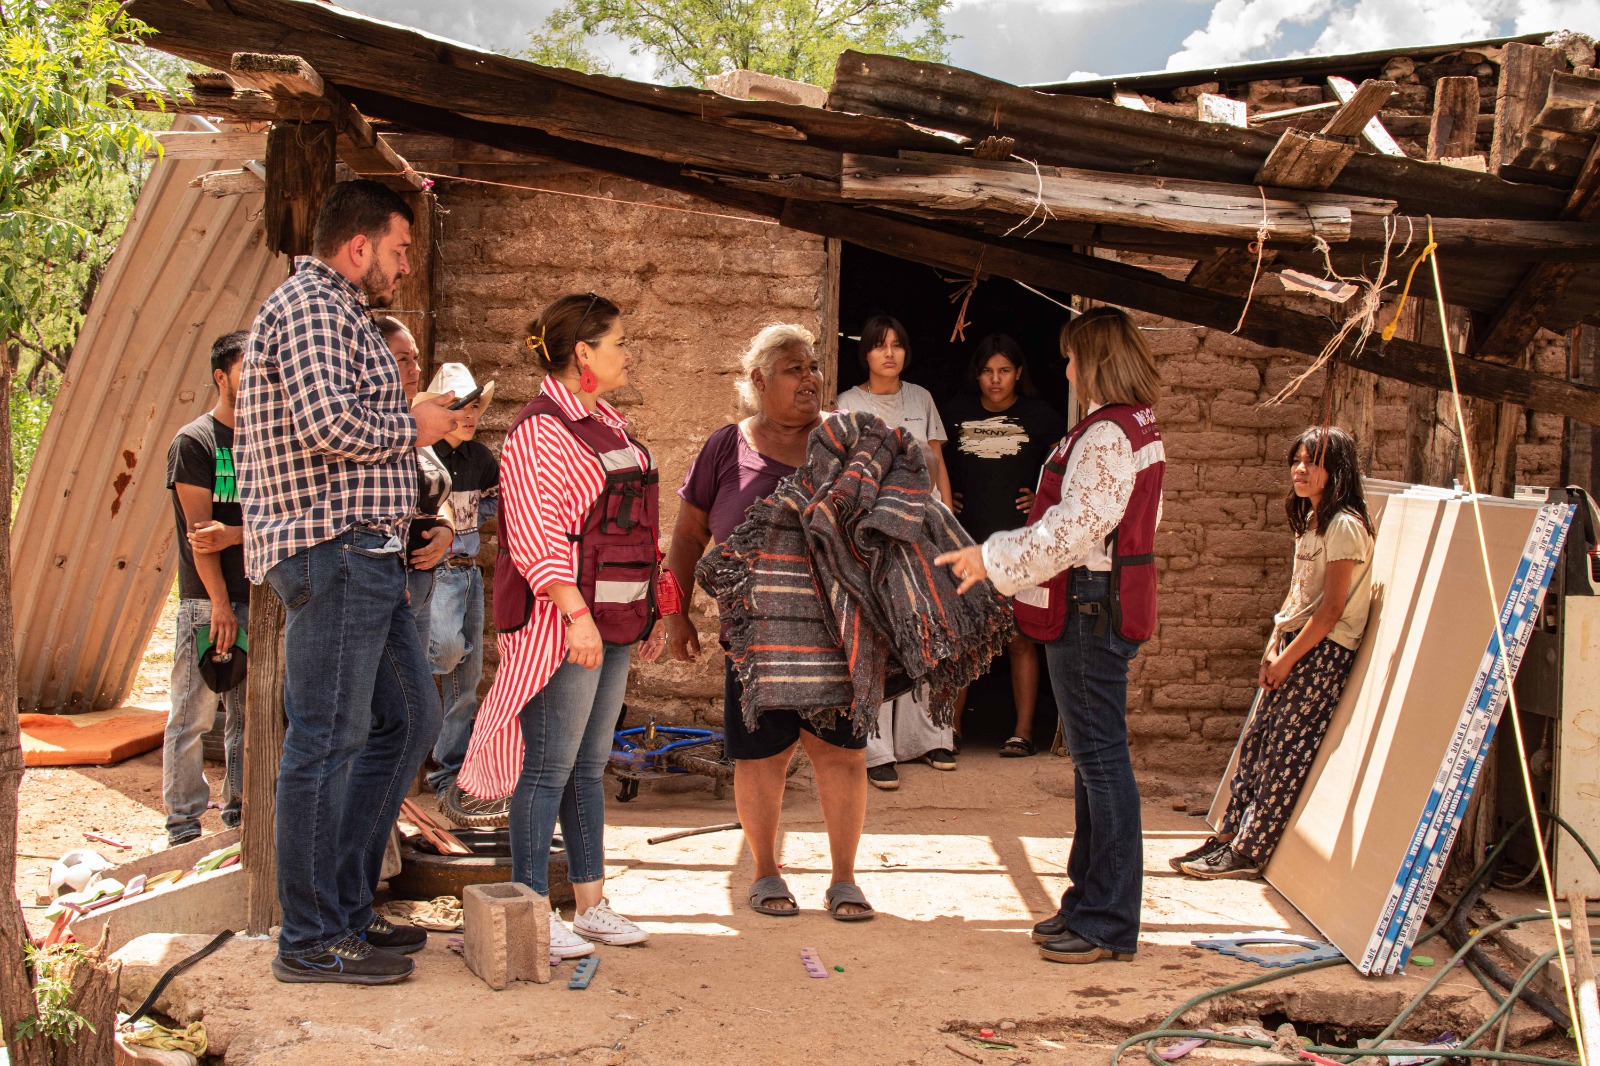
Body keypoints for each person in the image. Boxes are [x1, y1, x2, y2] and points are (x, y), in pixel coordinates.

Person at [238, 179, 460, 985]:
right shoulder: (311, 307)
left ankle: (343, 906)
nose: (405, 267)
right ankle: (309, 938)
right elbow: (329, 424)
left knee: (406, 721)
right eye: (399, 250)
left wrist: (418, 426)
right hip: (331, 552)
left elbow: (348, 424)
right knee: (325, 743)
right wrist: (418, 421)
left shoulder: (342, 315)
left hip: (369, 555)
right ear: (358, 246)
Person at [936, 306, 1164, 965]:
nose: (1066, 369)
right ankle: (1088, 902)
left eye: (1072, 357)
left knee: (1100, 763)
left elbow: (1073, 532)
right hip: (1102, 599)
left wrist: (991, 557)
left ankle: (1107, 919)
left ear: (1096, 360)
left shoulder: (1106, 436)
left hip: (1089, 605)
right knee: (1097, 764)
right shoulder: (1132, 425)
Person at [457, 292, 671, 960]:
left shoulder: (607, 422)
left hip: (612, 619)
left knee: (586, 765)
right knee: (546, 769)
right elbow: (533, 537)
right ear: (584, 353)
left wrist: (653, 608)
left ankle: (590, 905)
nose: (628, 354)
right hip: (563, 625)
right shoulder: (539, 433)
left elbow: (631, 529)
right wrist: (575, 615)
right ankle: (528, 909)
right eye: (618, 343)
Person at [664, 324, 875, 920]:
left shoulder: (845, 441)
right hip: (755, 641)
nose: (809, 378)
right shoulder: (726, 447)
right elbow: (686, 535)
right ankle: (765, 873)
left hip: (835, 635)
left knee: (841, 755)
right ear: (758, 380)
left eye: (813, 367)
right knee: (761, 759)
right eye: (793, 368)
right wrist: (674, 610)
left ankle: (843, 880)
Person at [1174, 426, 1374, 881]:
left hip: (1321, 652)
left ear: (1336, 470)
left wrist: (1288, 659)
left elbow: (1331, 610)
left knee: (1286, 752)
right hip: (1294, 643)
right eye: (1297, 460)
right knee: (1258, 743)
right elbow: (1298, 596)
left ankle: (1249, 851)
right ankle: (1228, 837)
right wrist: (1274, 646)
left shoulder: (1344, 525)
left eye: (1313, 462)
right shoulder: (1312, 519)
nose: (1300, 470)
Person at [836, 315, 957, 790]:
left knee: (928, 630)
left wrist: (946, 517)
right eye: (879, 346)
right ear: (864, 353)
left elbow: (935, 459)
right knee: (881, 634)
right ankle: (877, 748)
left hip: (923, 528)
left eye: (897, 346)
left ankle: (930, 737)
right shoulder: (848, 402)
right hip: (873, 531)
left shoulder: (921, 398)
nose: (889, 354)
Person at [944, 334, 1067, 757]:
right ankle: (952, 729)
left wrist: (1042, 498)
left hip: (1020, 547)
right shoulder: (956, 412)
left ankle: (1024, 732)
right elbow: (933, 458)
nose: (995, 380)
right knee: (963, 638)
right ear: (976, 374)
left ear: (1018, 374)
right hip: (966, 542)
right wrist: (949, 494)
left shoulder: (1041, 416)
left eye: (1004, 371)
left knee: (1020, 638)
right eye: (987, 371)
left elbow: (1068, 467)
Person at [162, 330, 251, 847]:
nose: (260, 379)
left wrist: (239, 533)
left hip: (258, 600)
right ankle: (184, 825)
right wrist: (219, 604)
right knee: (193, 716)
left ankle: (239, 816)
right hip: (207, 602)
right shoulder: (194, 443)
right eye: (247, 370)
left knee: (246, 716)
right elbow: (201, 536)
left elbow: (281, 520)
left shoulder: (267, 441)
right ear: (221, 377)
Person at [421, 363, 500, 799]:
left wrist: (468, 523)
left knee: (466, 684)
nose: (470, 416)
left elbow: (494, 503)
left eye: (475, 408)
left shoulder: (481, 458)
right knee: (448, 651)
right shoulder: (426, 455)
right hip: (436, 573)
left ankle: (447, 774)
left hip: (469, 572)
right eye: (461, 408)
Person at [375, 316, 454, 655]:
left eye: (416, 357)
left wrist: (447, 528)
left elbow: (434, 485)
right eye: (402, 359)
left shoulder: (416, 422)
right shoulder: (377, 429)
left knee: (411, 694)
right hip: (389, 582)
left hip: (421, 579)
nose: (415, 368)